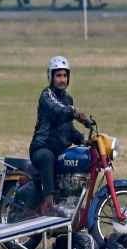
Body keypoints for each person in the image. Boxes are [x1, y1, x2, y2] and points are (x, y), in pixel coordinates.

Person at [29, 56, 91, 216]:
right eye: (58, 76)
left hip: (60, 150)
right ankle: (49, 204)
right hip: (42, 147)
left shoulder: (68, 99)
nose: (62, 80)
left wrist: (84, 140)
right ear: (51, 77)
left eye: (64, 76)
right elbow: (58, 110)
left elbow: (68, 129)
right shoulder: (46, 95)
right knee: (47, 156)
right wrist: (75, 113)